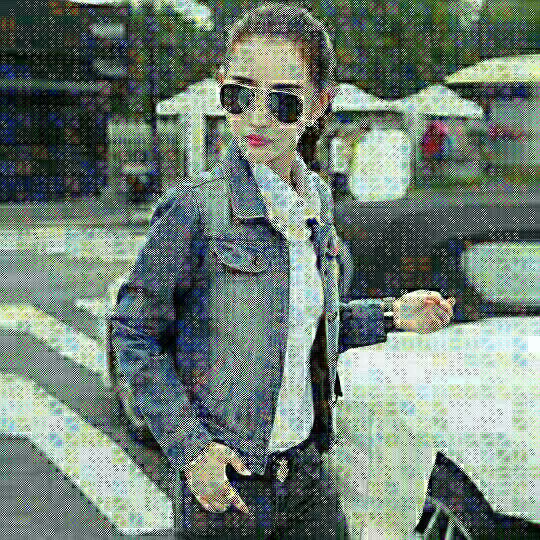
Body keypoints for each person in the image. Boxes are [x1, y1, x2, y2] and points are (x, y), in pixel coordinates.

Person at [111, 3, 455, 539]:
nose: (257, 118)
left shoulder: (315, 200)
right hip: (228, 490)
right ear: (222, 87)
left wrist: (392, 316)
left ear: (319, 105)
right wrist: (191, 450)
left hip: (308, 472)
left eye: (284, 101)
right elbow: (134, 334)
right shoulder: (195, 209)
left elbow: (303, 326)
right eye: (240, 94)